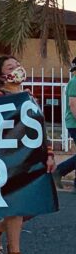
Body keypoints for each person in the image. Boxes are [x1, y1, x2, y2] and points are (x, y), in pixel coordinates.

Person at [0, 55, 57, 254]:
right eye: (11, 67)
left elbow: (39, 126)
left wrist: (49, 152)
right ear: (2, 75)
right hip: (10, 158)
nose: (17, 69)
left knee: (34, 203)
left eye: (17, 65)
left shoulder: (29, 96)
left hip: (32, 156)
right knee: (18, 203)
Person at [52, 56, 76, 188]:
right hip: (74, 123)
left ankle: (60, 171)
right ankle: (59, 170)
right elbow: (73, 105)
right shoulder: (75, 82)